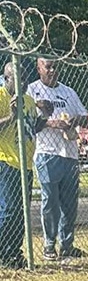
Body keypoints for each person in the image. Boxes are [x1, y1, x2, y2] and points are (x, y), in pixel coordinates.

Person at [26, 58, 88, 261]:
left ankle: (67, 245)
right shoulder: (32, 91)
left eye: (56, 67)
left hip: (69, 153)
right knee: (50, 202)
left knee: (70, 204)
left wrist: (75, 120)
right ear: (39, 68)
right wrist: (52, 123)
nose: (53, 70)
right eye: (48, 67)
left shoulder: (68, 92)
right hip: (47, 153)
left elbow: (86, 119)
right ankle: (49, 245)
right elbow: (29, 124)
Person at [0, 62, 36, 268]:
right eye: (16, 78)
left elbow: (31, 129)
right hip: (6, 162)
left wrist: (45, 116)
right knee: (9, 210)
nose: (22, 82)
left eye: (24, 77)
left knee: (22, 212)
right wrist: (11, 117)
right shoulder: (1, 97)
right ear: (6, 79)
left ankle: (13, 253)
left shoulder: (28, 101)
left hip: (26, 165)